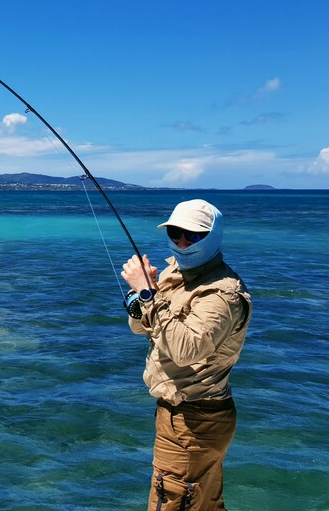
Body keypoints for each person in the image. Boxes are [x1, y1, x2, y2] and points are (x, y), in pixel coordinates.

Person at [121, 199, 251, 511]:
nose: (182, 242)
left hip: (194, 421)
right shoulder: (175, 274)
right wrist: (143, 296)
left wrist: (148, 293)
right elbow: (143, 329)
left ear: (214, 237)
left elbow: (186, 350)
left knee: (172, 503)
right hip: (182, 417)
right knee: (205, 505)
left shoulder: (221, 293)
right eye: (176, 233)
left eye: (194, 235)